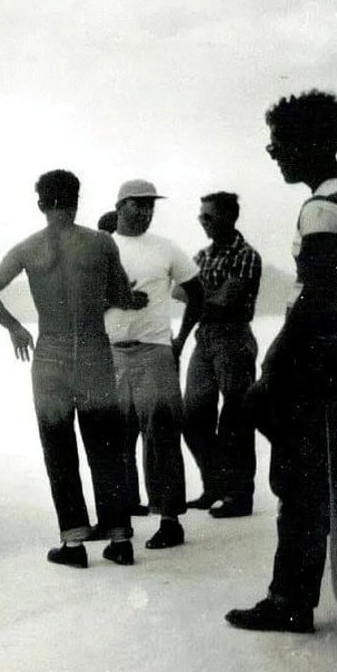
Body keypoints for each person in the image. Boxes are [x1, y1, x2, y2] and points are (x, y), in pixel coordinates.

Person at [0, 170, 146, 568]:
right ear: (76, 201)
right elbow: (120, 294)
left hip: (50, 357)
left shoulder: (27, 248)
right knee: (106, 448)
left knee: (59, 450)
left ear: (41, 204)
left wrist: (15, 328)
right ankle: (120, 540)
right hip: (93, 355)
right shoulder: (101, 242)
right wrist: (130, 299)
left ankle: (73, 544)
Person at [227, 89, 337, 633]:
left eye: (280, 143)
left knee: (300, 483)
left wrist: (272, 367)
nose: (273, 153)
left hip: (317, 365)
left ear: (311, 144)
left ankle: (290, 601)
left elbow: (318, 298)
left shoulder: (321, 209)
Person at [105, 179, 204, 549]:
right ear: (120, 206)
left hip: (155, 352)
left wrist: (180, 340)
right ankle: (118, 519)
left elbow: (197, 293)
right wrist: (118, 299)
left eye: (151, 205)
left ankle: (169, 519)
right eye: (138, 204)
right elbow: (83, 298)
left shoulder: (166, 248)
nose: (146, 211)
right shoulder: (103, 247)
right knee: (114, 437)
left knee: (161, 433)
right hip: (111, 353)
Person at [179, 192, 262, 518]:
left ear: (229, 217)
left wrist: (198, 295)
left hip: (234, 338)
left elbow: (225, 301)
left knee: (235, 418)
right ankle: (216, 484)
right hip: (205, 339)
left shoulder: (246, 255)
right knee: (192, 417)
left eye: (209, 216)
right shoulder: (202, 255)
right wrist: (201, 299)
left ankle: (239, 495)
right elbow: (179, 291)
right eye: (201, 216)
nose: (202, 221)